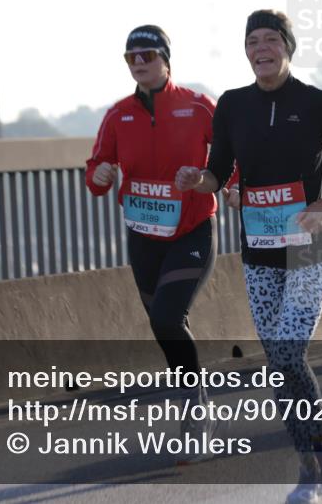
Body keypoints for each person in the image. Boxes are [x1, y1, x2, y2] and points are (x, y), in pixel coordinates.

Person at [176, 9, 322, 503]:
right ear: (246, 51)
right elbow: (218, 173)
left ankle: (320, 439)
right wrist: (196, 181)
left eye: (271, 40)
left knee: (286, 354)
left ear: (288, 47)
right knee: (278, 361)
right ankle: (310, 458)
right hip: (260, 253)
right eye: (253, 41)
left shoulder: (316, 102)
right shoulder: (233, 107)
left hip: (309, 249)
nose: (262, 48)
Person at [85, 24, 234, 464]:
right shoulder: (118, 115)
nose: (138, 63)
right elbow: (96, 168)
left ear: (166, 59)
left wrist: (229, 185)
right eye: (131, 57)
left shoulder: (198, 106)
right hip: (143, 236)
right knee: (162, 324)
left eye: (147, 55)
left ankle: (196, 416)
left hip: (191, 229)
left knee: (170, 315)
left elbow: (230, 157)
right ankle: (196, 404)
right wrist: (99, 176)